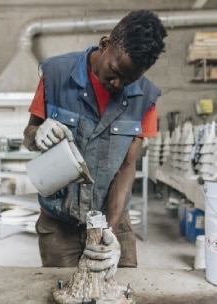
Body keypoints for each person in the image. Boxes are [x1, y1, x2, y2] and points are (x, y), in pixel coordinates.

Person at [23, 10, 167, 278]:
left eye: (128, 80)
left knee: (119, 298)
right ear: (104, 44)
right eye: (115, 71)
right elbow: (29, 134)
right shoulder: (55, 75)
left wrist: (108, 232)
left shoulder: (145, 98)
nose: (117, 83)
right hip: (58, 225)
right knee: (60, 300)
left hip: (113, 221)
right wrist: (37, 133)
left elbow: (126, 167)